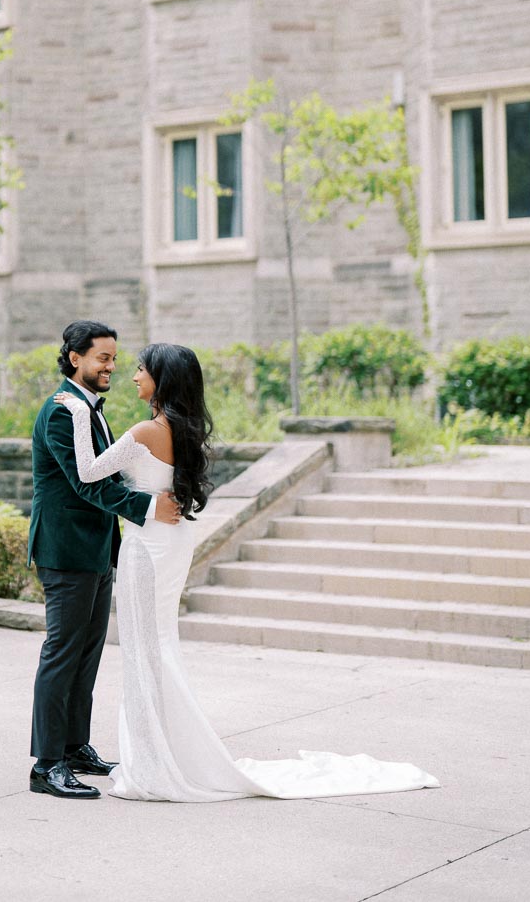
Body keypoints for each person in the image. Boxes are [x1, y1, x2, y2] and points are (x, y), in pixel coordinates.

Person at [54, 341, 439, 802]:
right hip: (169, 540)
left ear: (163, 379)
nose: (133, 375)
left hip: (149, 545)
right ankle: (165, 754)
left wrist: (78, 414)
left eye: (141, 369)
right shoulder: (181, 427)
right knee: (158, 644)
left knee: (143, 650)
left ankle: (157, 764)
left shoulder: (145, 430)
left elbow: (89, 471)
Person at [27, 320, 182, 800]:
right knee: (62, 651)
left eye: (115, 358)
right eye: (103, 358)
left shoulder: (90, 409)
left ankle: (75, 747)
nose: (112, 367)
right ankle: (46, 764)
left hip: (96, 549)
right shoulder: (61, 411)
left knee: (88, 652)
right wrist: (146, 507)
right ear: (75, 357)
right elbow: (83, 481)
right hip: (65, 548)